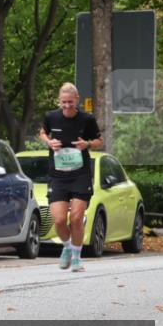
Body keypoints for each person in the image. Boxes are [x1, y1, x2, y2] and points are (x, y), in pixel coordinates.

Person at [39, 82, 103, 272]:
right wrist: (49, 142)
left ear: (77, 100)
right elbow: (42, 132)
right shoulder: (51, 117)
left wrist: (87, 144)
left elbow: (99, 141)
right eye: (63, 102)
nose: (66, 106)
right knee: (58, 220)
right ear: (59, 101)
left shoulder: (86, 119)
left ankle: (76, 257)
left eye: (70, 102)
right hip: (58, 176)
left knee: (76, 218)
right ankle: (67, 247)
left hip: (80, 175)